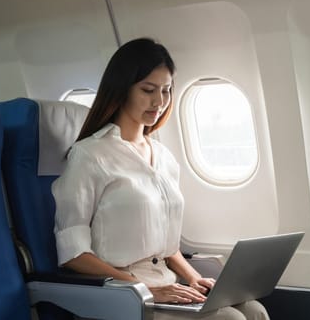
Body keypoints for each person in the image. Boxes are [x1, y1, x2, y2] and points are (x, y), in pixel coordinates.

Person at [52, 38, 269, 320]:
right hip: (119, 293)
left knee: (253, 311)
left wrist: (194, 279)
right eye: (148, 90)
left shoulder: (163, 157)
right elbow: (73, 253)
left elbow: (167, 247)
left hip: (165, 282)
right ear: (121, 89)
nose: (160, 101)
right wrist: (142, 289)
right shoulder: (89, 155)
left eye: (166, 90)